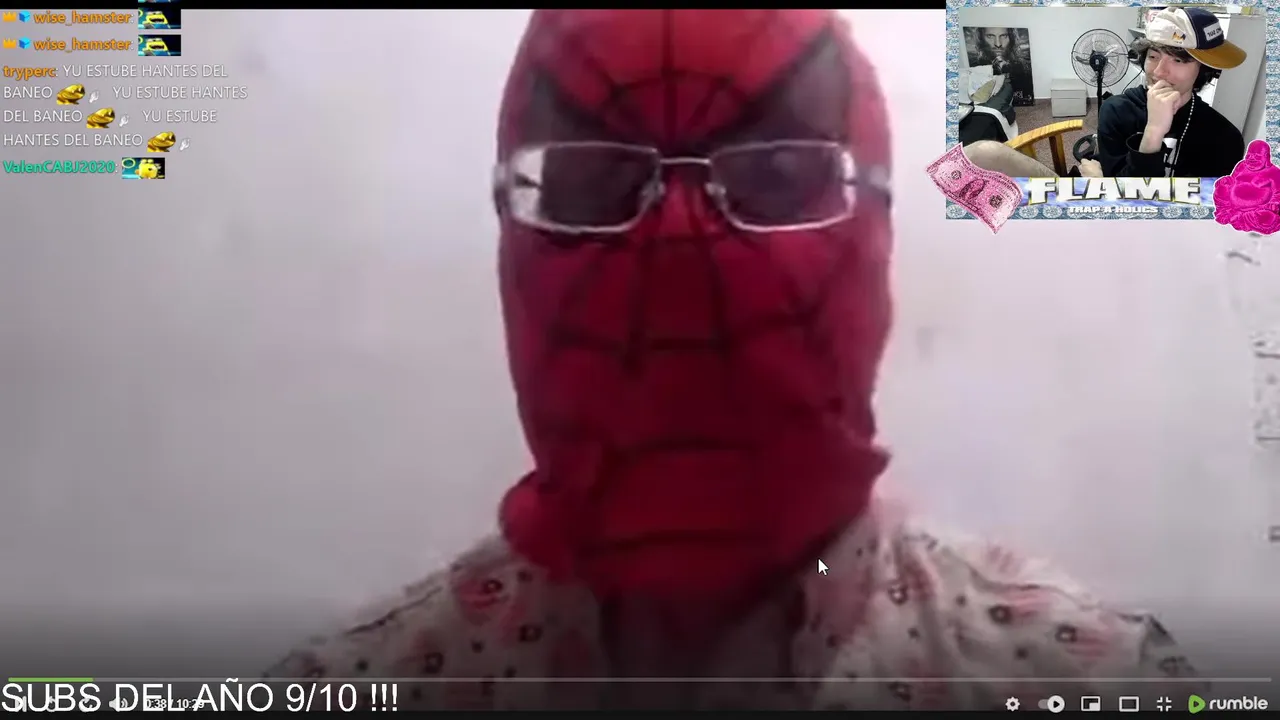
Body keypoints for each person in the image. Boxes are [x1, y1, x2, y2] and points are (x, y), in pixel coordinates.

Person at [262, 10, 1202, 710]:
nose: (678, 246)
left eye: (779, 177)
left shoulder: (1085, 678)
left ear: (876, 242)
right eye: (595, 182)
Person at [965, 6, 1246, 179]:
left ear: (1205, 71)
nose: (1159, 72)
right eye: (1153, 56)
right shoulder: (1116, 110)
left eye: (1179, 60)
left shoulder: (1225, 139)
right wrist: (1150, 135)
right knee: (980, 154)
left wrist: (1105, 180)